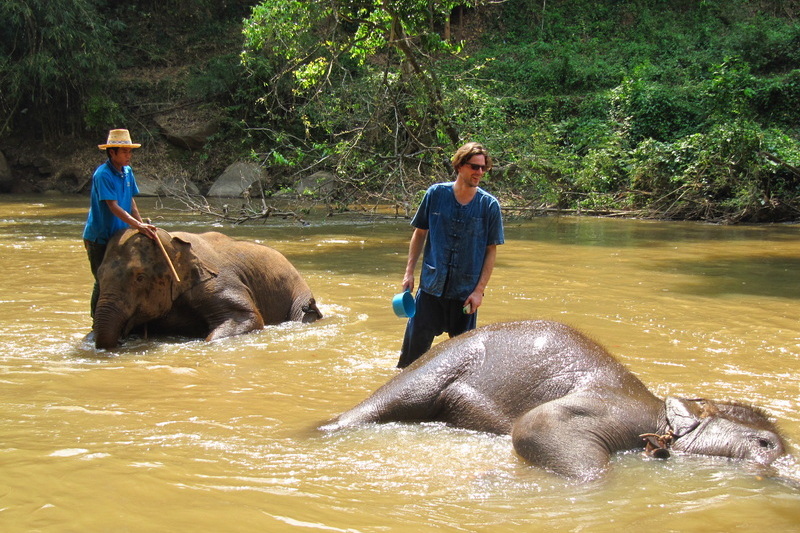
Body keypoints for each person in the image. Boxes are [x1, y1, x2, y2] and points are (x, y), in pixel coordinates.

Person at [397, 142, 504, 368]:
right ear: (459, 166)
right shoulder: (435, 194)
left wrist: (479, 291)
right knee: (409, 365)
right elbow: (419, 233)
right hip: (430, 290)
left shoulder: (489, 206)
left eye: (484, 168)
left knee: (465, 367)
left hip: (465, 297)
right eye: (475, 167)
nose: (480, 173)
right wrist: (409, 273)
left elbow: (491, 251)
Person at [83, 129, 157, 317]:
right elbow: (113, 207)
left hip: (121, 236)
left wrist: (141, 226)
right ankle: (97, 323)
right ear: (112, 153)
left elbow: (130, 200)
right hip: (100, 237)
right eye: (124, 152)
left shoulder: (127, 171)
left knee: (124, 279)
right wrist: (138, 226)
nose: (128, 156)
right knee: (103, 281)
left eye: (130, 151)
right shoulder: (103, 175)